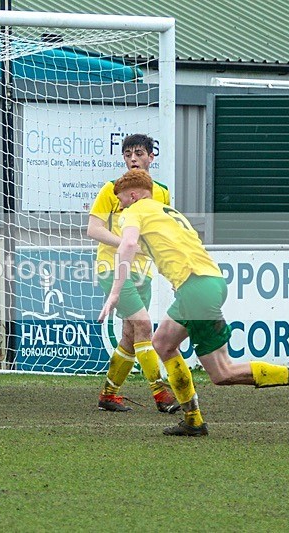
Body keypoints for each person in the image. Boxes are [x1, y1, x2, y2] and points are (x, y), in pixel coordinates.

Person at [99, 169, 289, 436]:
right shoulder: (168, 213)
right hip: (207, 283)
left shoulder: (135, 211)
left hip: (196, 288)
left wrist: (115, 292)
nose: (121, 206)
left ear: (135, 195)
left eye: (123, 199)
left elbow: (126, 245)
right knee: (162, 342)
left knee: (222, 372)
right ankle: (193, 420)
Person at [87, 134, 179, 413]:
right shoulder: (112, 189)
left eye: (139, 153)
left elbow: (163, 234)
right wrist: (128, 245)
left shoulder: (161, 191)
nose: (133, 159)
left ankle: (108, 394)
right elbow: (93, 229)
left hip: (144, 272)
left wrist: (173, 272)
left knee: (130, 334)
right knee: (143, 326)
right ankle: (161, 394)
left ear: (152, 157)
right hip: (113, 268)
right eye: (127, 155)